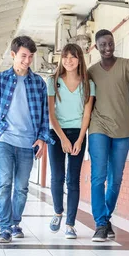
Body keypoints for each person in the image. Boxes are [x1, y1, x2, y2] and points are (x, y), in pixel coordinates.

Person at [0, 35, 51, 243]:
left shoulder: (38, 83)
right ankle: (4, 228)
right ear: (13, 55)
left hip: (27, 143)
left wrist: (42, 138)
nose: (27, 61)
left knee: (21, 187)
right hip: (4, 139)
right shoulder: (1, 80)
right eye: (23, 56)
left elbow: (44, 114)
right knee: (4, 184)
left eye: (30, 57)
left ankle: (15, 223)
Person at [88, 29, 129, 242]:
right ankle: (99, 223)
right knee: (98, 177)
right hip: (98, 126)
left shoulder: (127, 64)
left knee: (115, 179)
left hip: (122, 130)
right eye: (103, 45)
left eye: (110, 43)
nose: (108, 48)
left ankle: (106, 217)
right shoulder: (91, 72)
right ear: (96, 47)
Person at [46, 44, 95, 239]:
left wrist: (80, 138)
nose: (68, 60)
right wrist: (63, 139)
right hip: (56, 133)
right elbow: (50, 113)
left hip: (78, 133)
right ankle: (58, 211)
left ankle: (70, 224)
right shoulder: (53, 81)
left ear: (79, 59)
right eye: (65, 56)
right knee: (57, 176)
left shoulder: (89, 84)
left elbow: (87, 114)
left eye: (73, 57)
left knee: (72, 179)